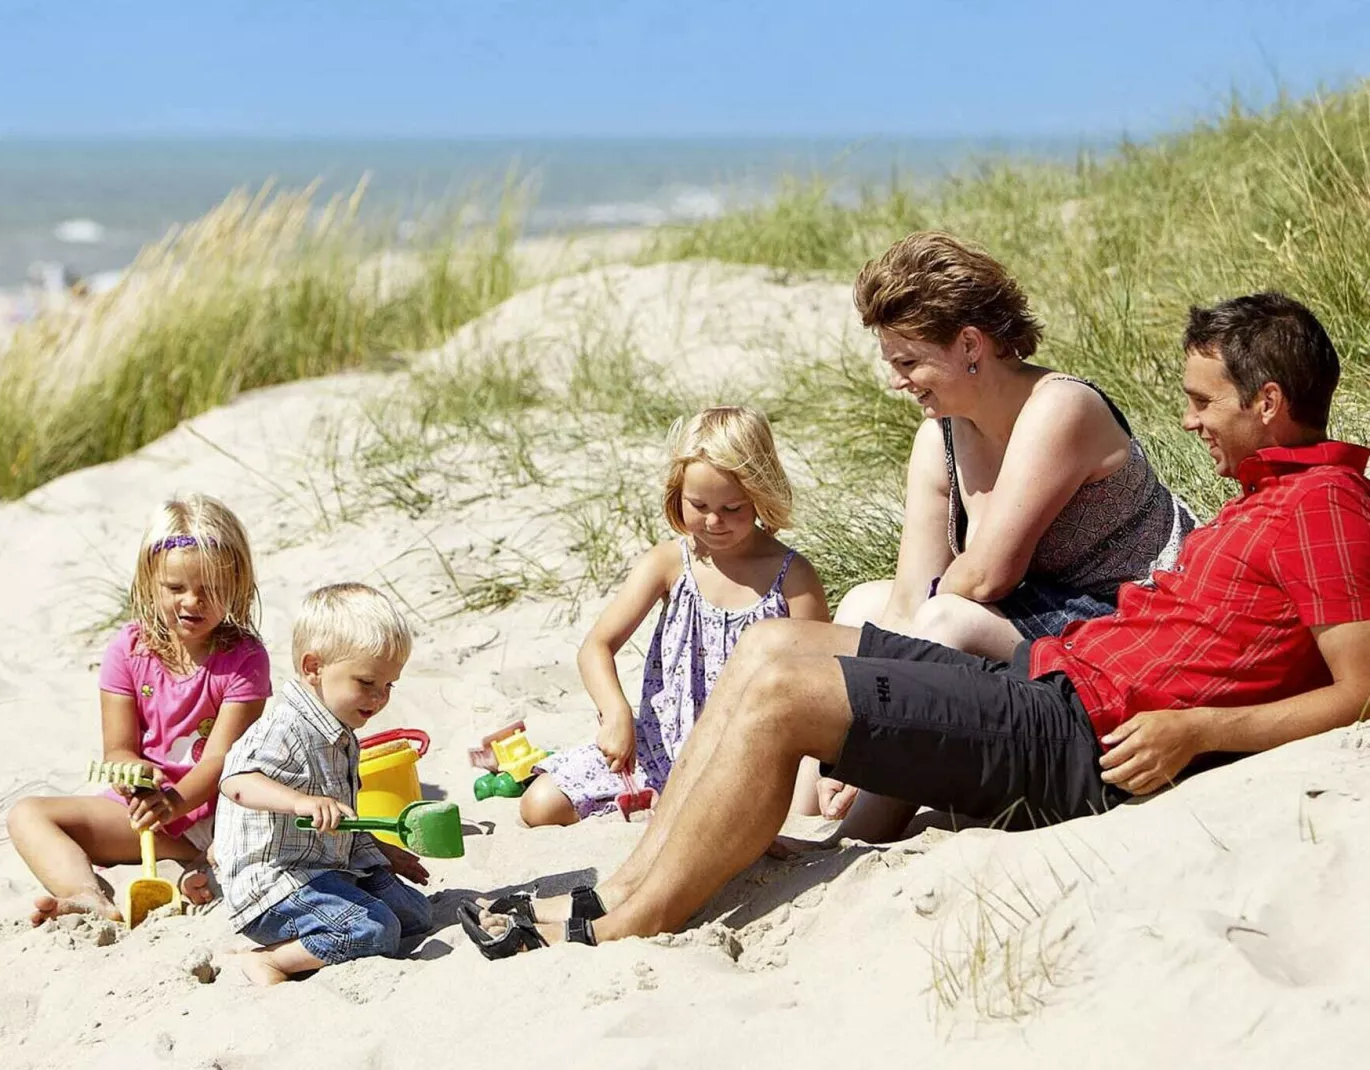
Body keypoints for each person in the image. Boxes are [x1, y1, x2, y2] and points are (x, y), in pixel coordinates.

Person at [459, 291, 1370, 958]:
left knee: (781, 689)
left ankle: (630, 920)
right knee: (772, 644)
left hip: (1080, 736)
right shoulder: (1264, 501)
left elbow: (1358, 690)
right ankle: (619, 887)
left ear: (1268, 403)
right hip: (1051, 681)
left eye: (1204, 402)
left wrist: (1197, 730)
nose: (1187, 419)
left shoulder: (1327, 506)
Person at [802, 231, 1194, 824]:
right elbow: (914, 590)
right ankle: (799, 816)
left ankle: (864, 829)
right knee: (864, 605)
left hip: (1127, 622)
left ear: (968, 345)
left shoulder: (1061, 407)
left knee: (945, 619)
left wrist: (870, 737)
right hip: (1037, 615)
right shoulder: (943, 434)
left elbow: (985, 577)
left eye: (907, 362)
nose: (897, 382)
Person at [516, 407, 831, 835]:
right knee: (540, 804)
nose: (714, 521)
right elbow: (597, 646)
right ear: (676, 495)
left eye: (733, 507)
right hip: (657, 746)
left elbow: (822, 680)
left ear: (761, 493)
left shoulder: (791, 576)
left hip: (749, 756)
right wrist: (616, 714)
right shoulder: (669, 562)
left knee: (806, 806)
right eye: (698, 505)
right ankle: (662, 803)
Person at [8, 494, 271, 925]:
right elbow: (118, 749)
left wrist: (176, 803)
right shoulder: (129, 649)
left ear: (236, 586)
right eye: (176, 588)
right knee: (27, 815)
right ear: (150, 581)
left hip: (213, 808)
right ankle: (83, 892)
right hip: (148, 809)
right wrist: (136, 777)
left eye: (212, 590)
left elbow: (223, 759)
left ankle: (197, 859)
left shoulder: (244, 658)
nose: (192, 602)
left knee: (246, 832)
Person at [215, 583, 434, 985]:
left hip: (330, 865)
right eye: (367, 682)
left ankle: (328, 922)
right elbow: (236, 782)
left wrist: (383, 851)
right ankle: (270, 959)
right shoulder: (283, 728)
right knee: (375, 931)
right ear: (313, 667)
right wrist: (298, 801)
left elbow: (341, 817)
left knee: (416, 916)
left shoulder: (341, 730)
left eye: (389, 685)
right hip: (275, 883)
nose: (380, 697)